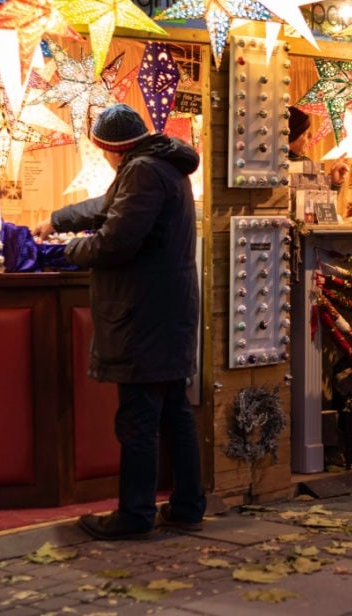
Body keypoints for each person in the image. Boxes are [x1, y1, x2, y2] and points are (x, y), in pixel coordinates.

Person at [32, 103, 206, 540]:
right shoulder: (162, 164)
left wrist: (62, 251)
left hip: (144, 313)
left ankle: (134, 515)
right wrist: (56, 220)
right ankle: (187, 506)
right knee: (174, 412)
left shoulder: (143, 170)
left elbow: (115, 243)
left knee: (139, 418)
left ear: (110, 149)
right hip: (167, 310)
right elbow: (108, 206)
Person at [288, 105, 348, 189]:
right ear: (291, 137)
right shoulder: (272, 167)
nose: (310, 137)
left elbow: (316, 200)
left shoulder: (307, 163)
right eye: (305, 133)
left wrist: (334, 183)